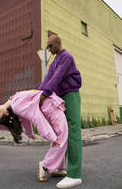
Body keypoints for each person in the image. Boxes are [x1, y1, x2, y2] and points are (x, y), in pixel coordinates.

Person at [39, 35, 82, 188]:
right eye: (48, 47)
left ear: (58, 43)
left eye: (50, 46)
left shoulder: (66, 57)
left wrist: (45, 94)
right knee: (61, 132)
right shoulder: (54, 62)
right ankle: (57, 167)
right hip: (60, 97)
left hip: (71, 94)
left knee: (73, 131)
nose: (49, 49)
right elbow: (47, 79)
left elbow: (57, 78)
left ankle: (74, 174)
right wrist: (38, 94)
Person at [0, 90, 68, 182]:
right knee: (61, 139)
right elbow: (36, 118)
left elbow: (25, 121)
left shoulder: (14, 102)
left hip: (49, 106)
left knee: (60, 138)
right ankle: (45, 166)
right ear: (6, 113)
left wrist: (30, 134)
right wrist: (50, 137)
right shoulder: (16, 105)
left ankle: (55, 168)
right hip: (51, 107)